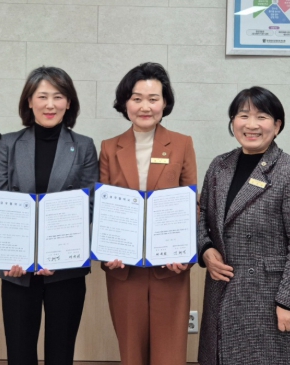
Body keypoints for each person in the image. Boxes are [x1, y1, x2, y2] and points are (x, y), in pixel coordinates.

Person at [197, 87, 290, 365]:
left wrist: (289, 302)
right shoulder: (219, 166)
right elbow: (203, 217)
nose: (251, 125)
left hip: (270, 299)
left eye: (261, 117)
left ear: (277, 126)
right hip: (222, 290)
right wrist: (205, 249)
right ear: (233, 122)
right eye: (243, 116)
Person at [0, 66, 98, 365]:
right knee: (19, 354)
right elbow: (0, 202)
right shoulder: (8, 144)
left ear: (69, 102)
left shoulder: (84, 146)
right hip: (17, 269)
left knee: (61, 354)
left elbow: (89, 205)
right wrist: (15, 255)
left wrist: (55, 254)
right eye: (42, 96)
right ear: (29, 101)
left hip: (66, 269)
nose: (50, 104)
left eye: (58, 96)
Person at [98, 62, 197, 365]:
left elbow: (192, 205)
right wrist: (107, 250)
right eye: (137, 98)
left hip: (170, 266)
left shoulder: (181, 144)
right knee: (132, 352)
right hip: (124, 268)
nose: (145, 107)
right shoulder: (109, 148)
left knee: (170, 353)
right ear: (125, 103)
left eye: (153, 99)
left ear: (164, 103)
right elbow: (103, 208)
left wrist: (184, 252)